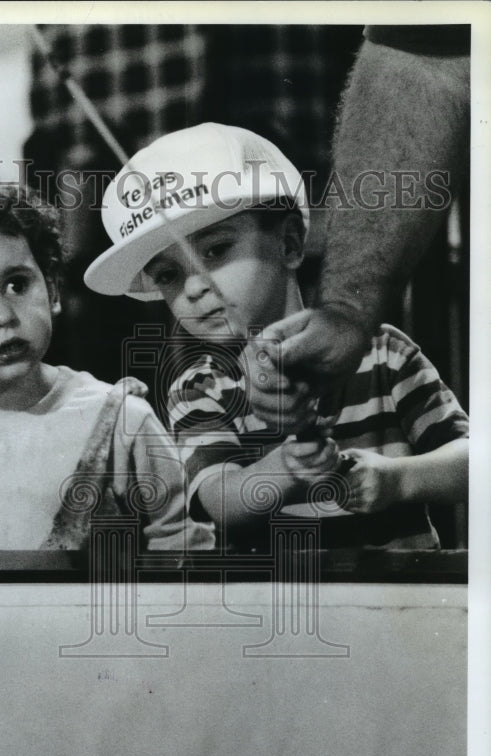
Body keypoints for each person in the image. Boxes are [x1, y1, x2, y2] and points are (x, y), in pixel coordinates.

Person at [84, 123, 469, 549]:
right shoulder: (199, 389)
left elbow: (473, 463)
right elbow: (217, 500)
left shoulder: (384, 352)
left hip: (400, 607)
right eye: (169, 275)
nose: (193, 287)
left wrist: (399, 481)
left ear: (288, 243)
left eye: (214, 250)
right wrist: (284, 467)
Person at [0, 158, 213, 553]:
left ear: (51, 290)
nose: (3, 316)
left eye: (17, 285)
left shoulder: (124, 421)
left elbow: (181, 546)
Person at [243, 27, 470, 431]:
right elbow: (421, 60)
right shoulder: (199, 390)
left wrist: (397, 478)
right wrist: (348, 310)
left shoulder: (393, 357)